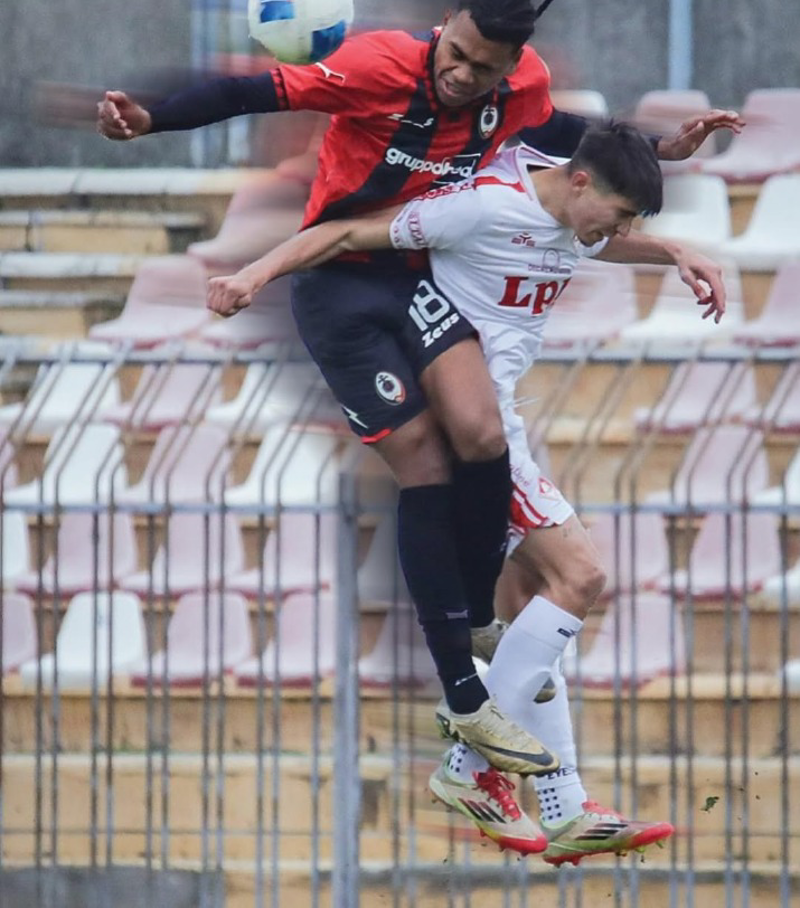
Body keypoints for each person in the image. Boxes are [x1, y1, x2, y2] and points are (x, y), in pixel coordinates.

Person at [96, 0, 741, 779]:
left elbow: (561, 138)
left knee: (481, 431)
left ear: (512, 67)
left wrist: (661, 150)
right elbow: (253, 91)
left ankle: (482, 628)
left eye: (484, 69)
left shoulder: (520, 90)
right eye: (457, 54)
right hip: (337, 280)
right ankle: (466, 699)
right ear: (446, 29)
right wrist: (151, 119)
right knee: (426, 462)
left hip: (414, 277)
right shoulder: (378, 66)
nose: (463, 75)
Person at [204, 120, 725, 861]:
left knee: (530, 613)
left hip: (500, 420)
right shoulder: (481, 207)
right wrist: (253, 276)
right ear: (581, 183)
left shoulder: (569, 211)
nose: (620, 231)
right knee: (580, 576)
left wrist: (674, 251)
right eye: (618, 215)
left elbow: (595, 240)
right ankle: (469, 768)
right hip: (474, 431)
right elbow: (346, 234)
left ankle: (565, 806)